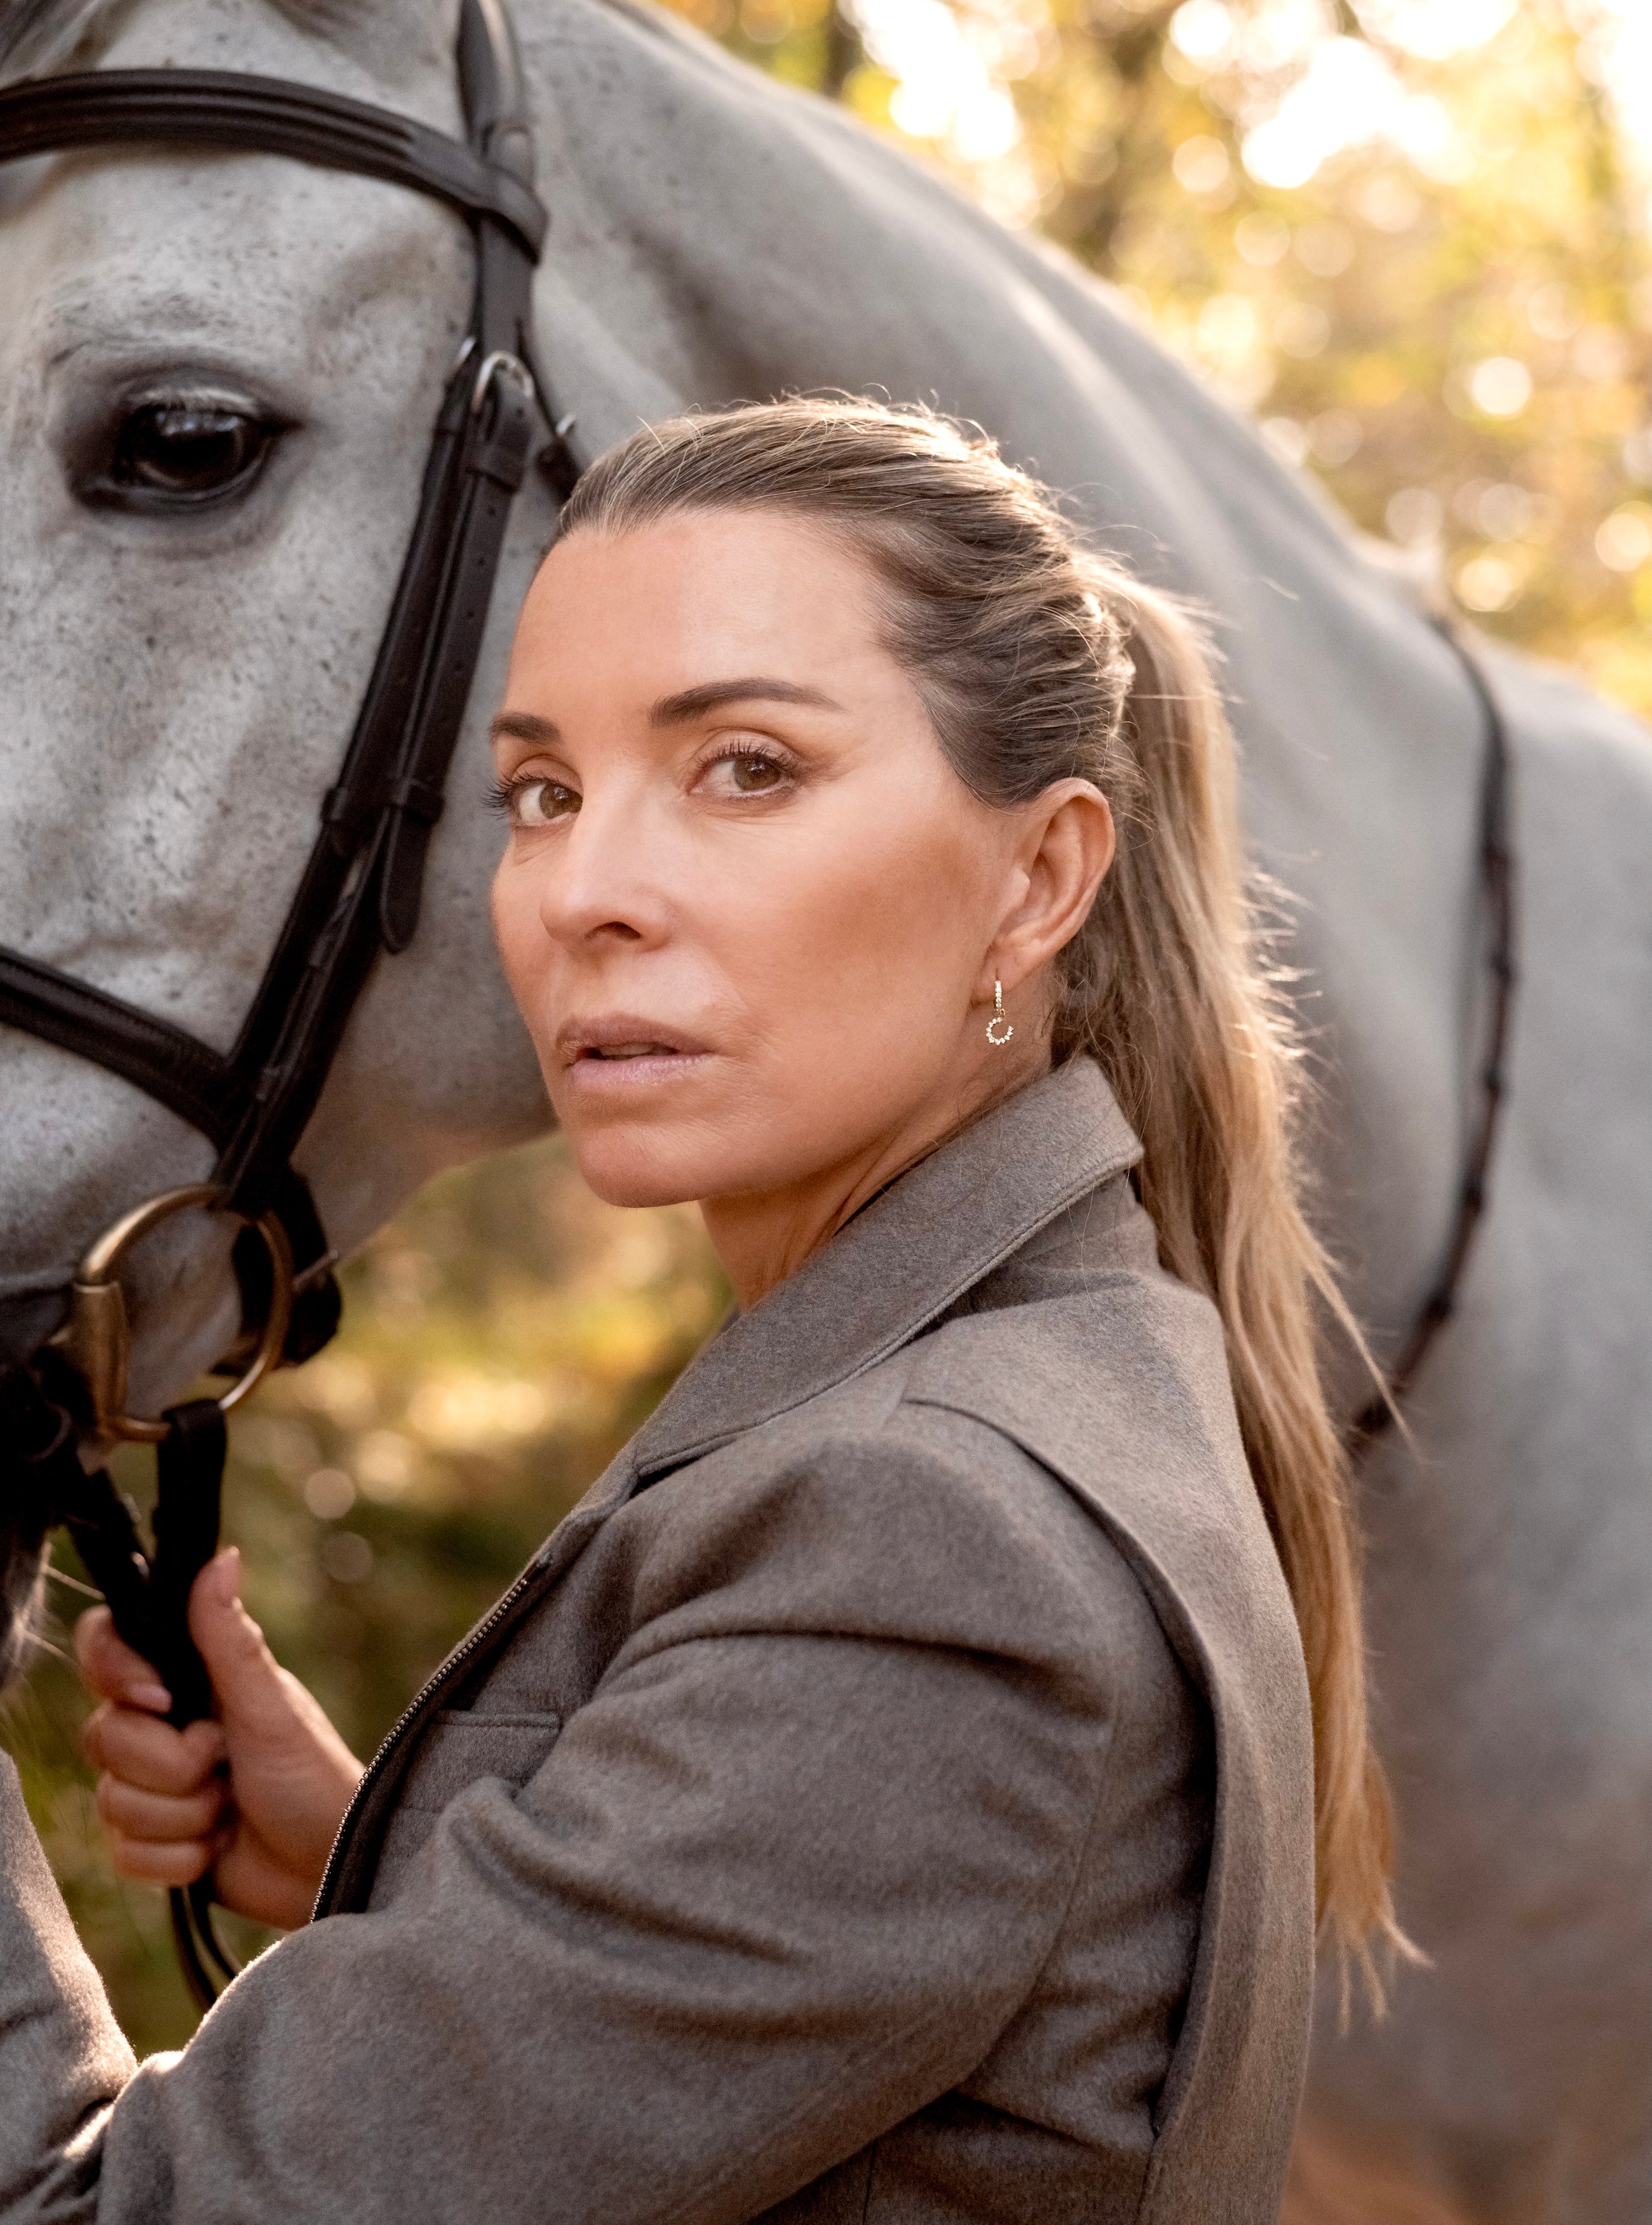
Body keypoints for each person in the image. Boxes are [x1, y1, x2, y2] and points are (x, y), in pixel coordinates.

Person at [2, 397, 1398, 2221]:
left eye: (747, 767)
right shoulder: (1057, 1365)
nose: (586, 892)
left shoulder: (931, 1538)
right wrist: (388, 1851)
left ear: (1040, 876)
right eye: (541, 792)